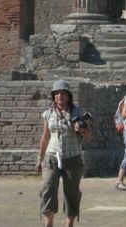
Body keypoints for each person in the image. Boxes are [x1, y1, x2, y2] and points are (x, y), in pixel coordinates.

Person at [36, 79, 91, 227]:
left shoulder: (79, 112)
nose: (60, 96)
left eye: (63, 93)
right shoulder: (48, 114)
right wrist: (39, 158)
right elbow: (45, 137)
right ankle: (48, 223)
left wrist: (82, 130)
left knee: (72, 192)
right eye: (57, 93)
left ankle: (69, 223)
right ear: (53, 96)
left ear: (68, 96)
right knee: (47, 187)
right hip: (52, 157)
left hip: (72, 158)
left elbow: (88, 137)